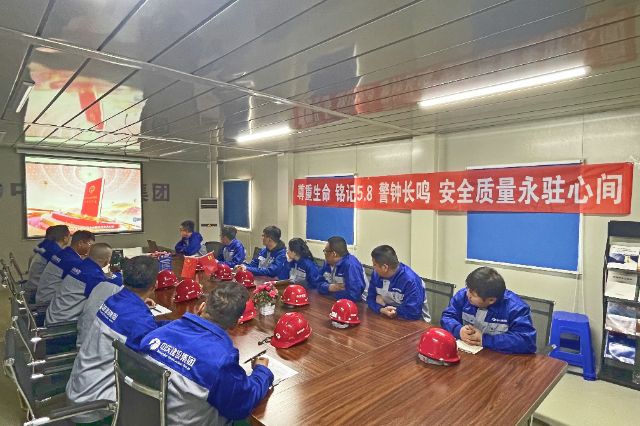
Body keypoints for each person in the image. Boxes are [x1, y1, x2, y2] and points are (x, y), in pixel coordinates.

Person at [139, 283, 273, 425]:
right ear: (235, 324)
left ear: (202, 307)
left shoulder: (155, 335)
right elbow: (243, 403)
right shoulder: (222, 361)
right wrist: (262, 371)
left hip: (144, 416)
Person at [66, 256, 163, 424]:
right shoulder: (138, 321)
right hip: (96, 407)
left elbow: (134, 325)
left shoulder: (113, 300)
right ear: (154, 286)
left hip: (79, 388)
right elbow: (154, 366)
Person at [440, 266, 537, 354]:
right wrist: (459, 330)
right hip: (466, 355)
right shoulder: (462, 296)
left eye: (473, 294)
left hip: (498, 360)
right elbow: (447, 317)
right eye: (468, 289)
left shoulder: (516, 308)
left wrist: (484, 339)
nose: (468, 294)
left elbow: (526, 341)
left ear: (491, 300)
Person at [45, 243, 116, 325]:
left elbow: (88, 277)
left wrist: (103, 276)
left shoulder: (80, 265)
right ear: (107, 260)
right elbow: (104, 302)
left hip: (52, 317)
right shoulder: (95, 276)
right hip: (64, 323)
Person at [367, 245, 430, 322]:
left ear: (385, 267)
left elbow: (413, 313)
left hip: (414, 323)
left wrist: (387, 307)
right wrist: (380, 309)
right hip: (387, 319)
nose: (373, 267)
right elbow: (370, 299)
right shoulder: (376, 275)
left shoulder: (410, 280)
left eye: (374, 265)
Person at [36, 230, 95, 304]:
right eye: (90, 244)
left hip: (43, 296)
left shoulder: (64, 253)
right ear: (80, 243)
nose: (92, 248)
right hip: (48, 302)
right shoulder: (72, 261)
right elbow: (88, 280)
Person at [23, 225, 70, 300]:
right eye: (69, 235)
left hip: (32, 286)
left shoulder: (47, 245)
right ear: (65, 238)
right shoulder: (54, 251)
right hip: (36, 292)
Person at [317, 236, 366, 302]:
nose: (324, 253)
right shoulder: (327, 263)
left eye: (326, 251)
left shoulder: (351, 265)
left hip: (359, 304)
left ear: (334, 254)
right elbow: (318, 283)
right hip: (335, 300)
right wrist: (329, 287)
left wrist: (331, 292)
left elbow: (354, 295)